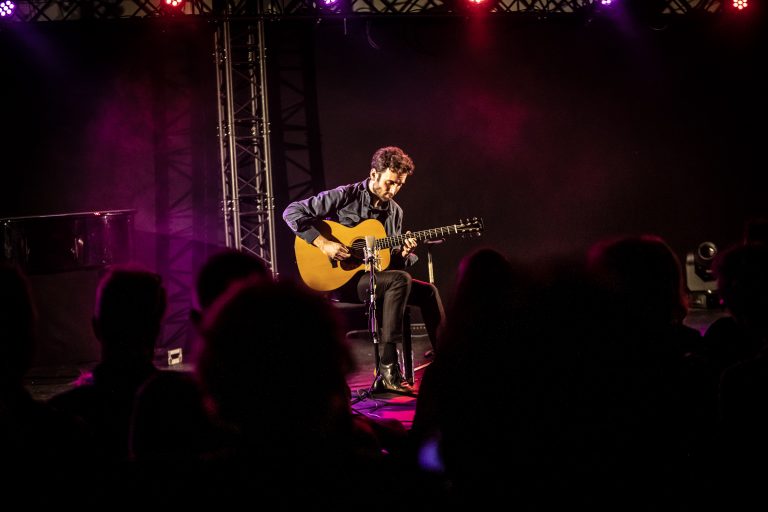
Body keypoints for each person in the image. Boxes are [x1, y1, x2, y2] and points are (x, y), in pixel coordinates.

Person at [283, 146, 444, 393]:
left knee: (428, 291)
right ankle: (388, 370)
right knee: (399, 280)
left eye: (399, 185)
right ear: (373, 174)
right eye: (390, 183)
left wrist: (402, 253)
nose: (393, 190)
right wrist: (324, 244)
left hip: (375, 280)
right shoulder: (345, 195)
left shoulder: (395, 212)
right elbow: (291, 212)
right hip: (341, 281)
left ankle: (448, 360)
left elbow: (390, 263)